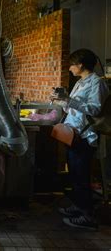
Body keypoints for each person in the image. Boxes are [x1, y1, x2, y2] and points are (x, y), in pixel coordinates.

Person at [52, 48, 109, 230]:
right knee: (75, 175)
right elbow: (72, 109)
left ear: (81, 64)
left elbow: (94, 109)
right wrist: (59, 101)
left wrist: (69, 100)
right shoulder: (80, 82)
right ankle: (78, 207)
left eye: (71, 65)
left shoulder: (97, 84)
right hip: (73, 135)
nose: (69, 68)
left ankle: (88, 217)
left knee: (82, 176)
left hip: (85, 136)